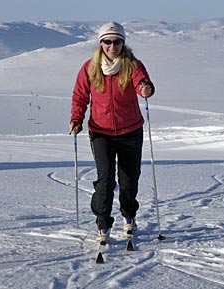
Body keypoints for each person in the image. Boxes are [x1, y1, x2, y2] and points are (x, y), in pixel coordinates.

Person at [69, 21, 154, 242]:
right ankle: (103, 224)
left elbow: (142, 82)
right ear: (100, 43)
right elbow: (80, 96)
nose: (112, 46)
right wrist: (76, 119)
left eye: (117, 41)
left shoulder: (132, 65)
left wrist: (145, 88)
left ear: (123, 43)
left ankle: (129, 216)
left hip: (130, 131)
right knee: (105, 180)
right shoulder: (89, 67)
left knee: (128, 179)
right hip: (101, 132)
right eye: (107, 41)